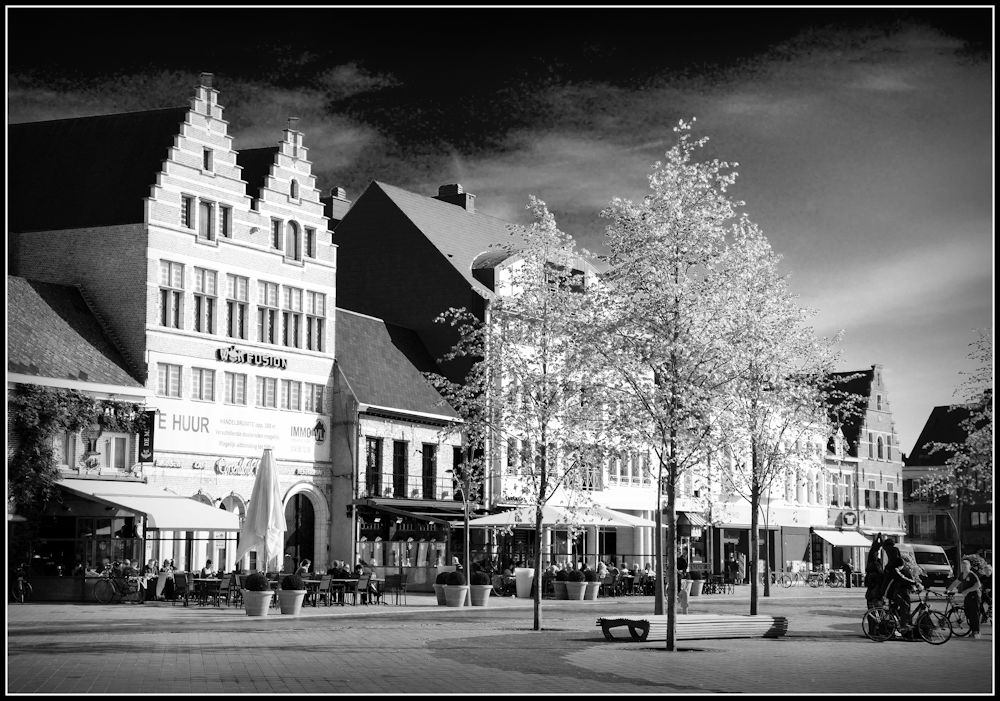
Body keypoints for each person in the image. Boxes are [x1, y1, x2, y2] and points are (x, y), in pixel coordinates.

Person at [945, 557, 982, 639]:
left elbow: (978, 585)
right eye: (962, 566)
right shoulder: (962, 574)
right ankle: (973, 631)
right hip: (968, 597)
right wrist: (948, 590)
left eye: (965, 566)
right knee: (968, 614)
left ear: (969, 566)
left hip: (974, 597)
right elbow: (956, 582)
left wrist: (968, 590)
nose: (963, 568)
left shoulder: (972, 574)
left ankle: (976, 632)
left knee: (974, 614)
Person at [884, 555, 921, 636]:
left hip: (892, 591)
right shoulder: (894, 570)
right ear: (899, 565)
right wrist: (915, 583)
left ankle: (898, 624)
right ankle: (903, 625)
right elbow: (902, 578)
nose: (903, 567)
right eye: (902, 565)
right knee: (904, 605)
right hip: (890, 592)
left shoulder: (893, 569)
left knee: (899, 607)